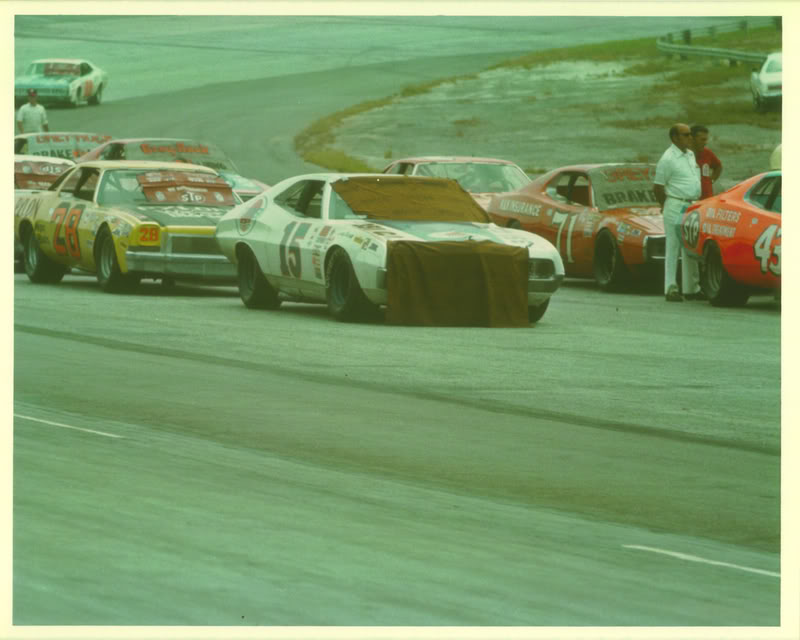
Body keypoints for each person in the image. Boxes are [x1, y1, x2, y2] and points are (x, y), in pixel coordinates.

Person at [653, 123, 703, 302]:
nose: (690, 137)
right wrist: (666, 204)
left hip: (691, 205)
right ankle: (670, 288)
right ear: (675, 138)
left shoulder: (690, 155)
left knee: (690, 245)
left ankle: (692, 288)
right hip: (675, 203)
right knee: (673, 247)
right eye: (686, 135)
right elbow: (658, 186)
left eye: (690, 134)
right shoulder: (667, 158)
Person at [690, 124, 722, 199]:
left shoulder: (707, 153)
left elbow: (718, 166)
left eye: (706, 139)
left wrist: (711, 180)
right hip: (690, 198)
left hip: (707, 198)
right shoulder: (683, 155)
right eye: (702, 139)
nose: (705, 142)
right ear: (692, 139)